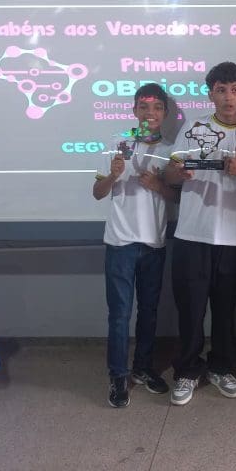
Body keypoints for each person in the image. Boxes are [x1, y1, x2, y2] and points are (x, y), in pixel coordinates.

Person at [165, 61, 236, 406]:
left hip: (233, 236)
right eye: (221, 90)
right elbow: (170, 174)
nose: (228, 97)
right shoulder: (193, 127)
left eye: (234, 90)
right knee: (190, 309)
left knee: (225, 309)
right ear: (210, 94)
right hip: (192, 234)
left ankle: (221, 366)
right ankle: (186, 370)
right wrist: (178, 174)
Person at [93, 83, 178, 408]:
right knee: (119, 314)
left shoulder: (171, 149)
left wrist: (158, 185)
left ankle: (142, 368)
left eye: (157, 107)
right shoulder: (117, 143)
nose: (150, 113)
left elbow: (176, 197)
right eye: (144, 107)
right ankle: (118, 375)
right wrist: (113, 176)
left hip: (153, 242)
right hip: (120, 243)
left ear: (165, 114)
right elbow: (98, 192)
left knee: (149, 311)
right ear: (134, 111)